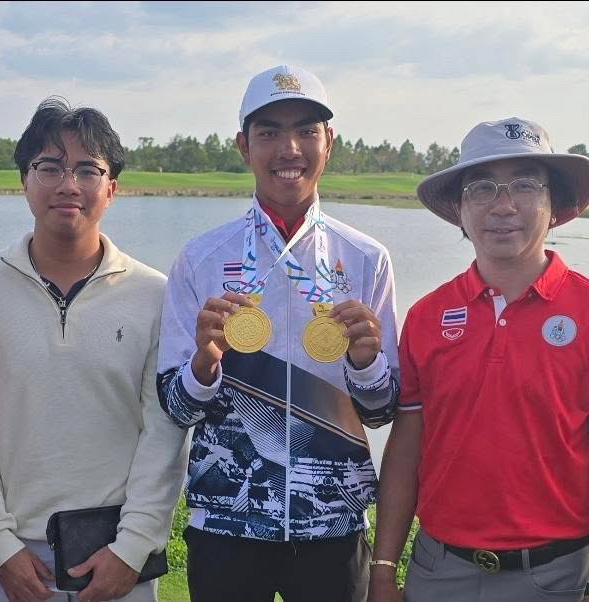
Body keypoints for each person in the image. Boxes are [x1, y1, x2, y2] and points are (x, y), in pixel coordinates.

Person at [369, 118, 589, 602]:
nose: (502, 206)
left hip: (555, 577)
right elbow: (405, 452)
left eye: (524, 185)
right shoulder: (426, 317)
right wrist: (382, 567)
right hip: (438, 571)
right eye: (481, 189)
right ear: (459, 209)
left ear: (554, 205)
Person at [157, 65, 401, 602]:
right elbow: (175, 408)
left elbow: (383, 410)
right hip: (227, 523)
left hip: (333, 525)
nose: (289, 148)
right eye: (269, 132)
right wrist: (203, 366)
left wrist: (366, 362)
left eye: (306, 130)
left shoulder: (365, 259)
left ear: (329, 143)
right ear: (244, 146)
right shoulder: (201, 258)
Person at [0, 97, 188, 602]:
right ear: (24, 181)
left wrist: (134, 547)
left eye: (87, 169)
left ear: (112, 188)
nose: (67, 184)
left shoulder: (155, 295)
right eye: (49, 167)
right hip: (13, 557)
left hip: (117, 553)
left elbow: (162, 431)